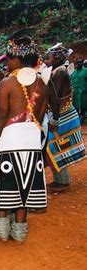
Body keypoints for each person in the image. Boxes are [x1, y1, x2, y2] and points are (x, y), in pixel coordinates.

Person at [0, 33, 50, 243]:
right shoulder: (43, 83)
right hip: (32, 138)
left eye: (8, 60)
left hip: (10, 138)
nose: (6, 64)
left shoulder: (7, 83)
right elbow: (41, 117)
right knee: (26, 184)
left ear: (16, 60)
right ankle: (19, 232)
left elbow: (2, 116)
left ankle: (2, 230)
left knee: (6, 182)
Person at [44, 44, 84, 193]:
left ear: (57, 59)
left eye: (50, 58)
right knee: (57, 146)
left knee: (55, 146)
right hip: (61, 112)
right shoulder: (58, 71)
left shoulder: (60, 73)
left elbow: (55, 96)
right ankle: (60, 179)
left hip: (62, 113)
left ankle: (62, 181)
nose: (48, 61)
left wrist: (54, 119)